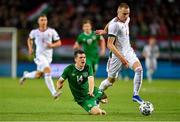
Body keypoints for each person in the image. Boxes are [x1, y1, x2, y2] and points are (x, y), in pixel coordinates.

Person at [96, 3, 144, 104]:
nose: (126, 16)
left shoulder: (127, 19)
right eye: (124, 14)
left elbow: (109, 22)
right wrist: (122, 59)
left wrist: (104, 31)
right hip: (116, 55)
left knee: (139, 69)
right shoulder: (115, 25)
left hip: (128, 51)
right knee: (110, 81)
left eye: (128, 14)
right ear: (118, 12)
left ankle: (135, 95)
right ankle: (100, 90)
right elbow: (109, 45)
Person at [19, 15, 62, 99]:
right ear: (38, 22)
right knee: (47, 70)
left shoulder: (52, 31)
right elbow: (29, 39)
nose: (43, 21)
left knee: (39, 75)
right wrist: (30, 48)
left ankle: (26, 75)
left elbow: (59, 42)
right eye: (42, 20)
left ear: (47, 21)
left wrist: (52, 45)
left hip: (48, 56)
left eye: (45, 20)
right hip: (39, 55)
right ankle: (54, 93)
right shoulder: (34, 32)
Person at [56, 50, 107, 115]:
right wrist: (59, 87)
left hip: (91, 91)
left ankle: (95, 103)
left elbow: (91, 80)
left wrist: (91, 91)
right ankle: (95, 107)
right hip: (82, 98)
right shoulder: (69, 69)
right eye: (81, 57)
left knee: (105, 100)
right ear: (75, 59)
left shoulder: (88, 67)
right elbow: (59, 81)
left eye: (84, 57)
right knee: (98, 113)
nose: (83, 59)